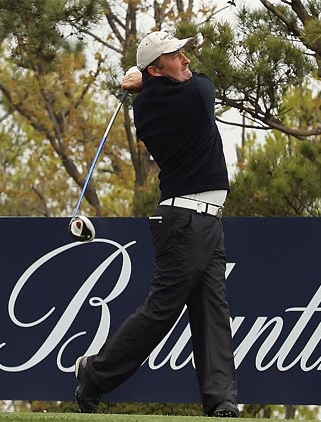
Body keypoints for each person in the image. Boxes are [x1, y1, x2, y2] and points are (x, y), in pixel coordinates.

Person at [74, 30, 239, 417]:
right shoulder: (192, 95)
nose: (185, 59)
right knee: (162, 310)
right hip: (185, 222)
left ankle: (221, 402)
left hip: (202, 220)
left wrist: (141, 81)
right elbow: (205, 83)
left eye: (182, 52)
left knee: (213, 310)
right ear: (156, 68)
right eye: (174, 56)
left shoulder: (144, 103)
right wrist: (142, 81)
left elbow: (166, 82)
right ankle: (95, 375)